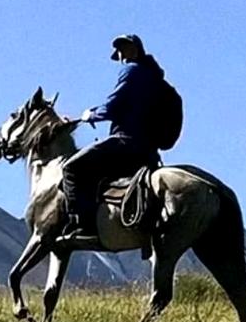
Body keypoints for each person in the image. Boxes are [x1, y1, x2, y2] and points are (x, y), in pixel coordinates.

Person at [59, 34, 166, 243]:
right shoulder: (155, 78)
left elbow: (112, 106)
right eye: (119, 53)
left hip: (126, 141)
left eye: (123, 50)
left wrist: (89, 115)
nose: (121, 56)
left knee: (71, 168)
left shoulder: (132, 71)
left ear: (134, 50)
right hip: (149, 150)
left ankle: (83, 226)